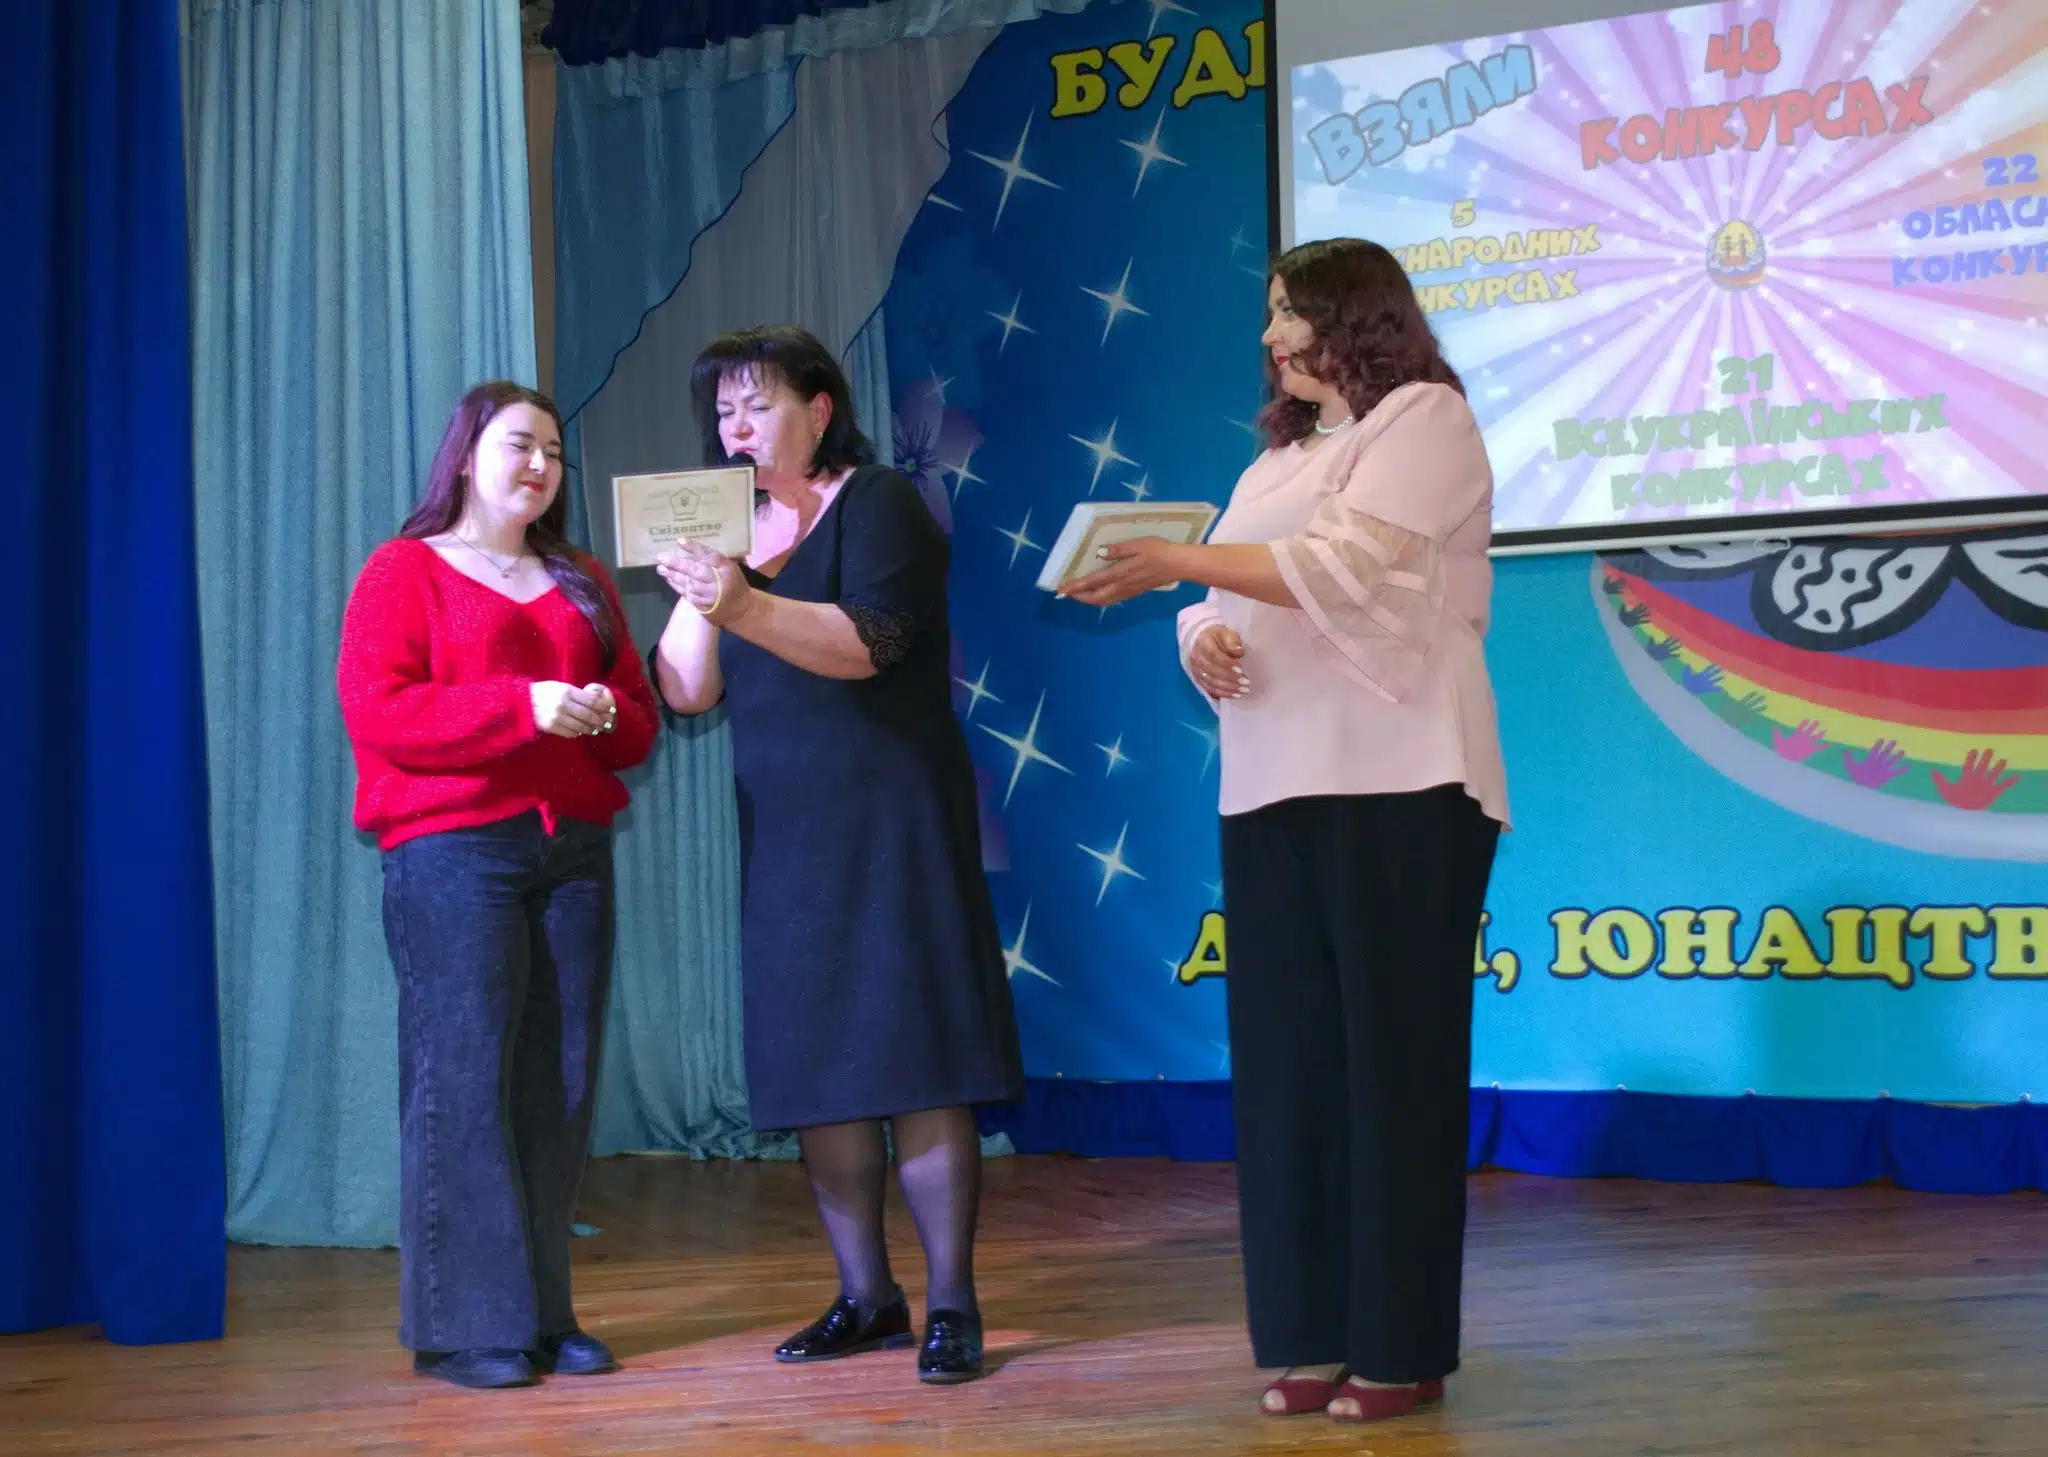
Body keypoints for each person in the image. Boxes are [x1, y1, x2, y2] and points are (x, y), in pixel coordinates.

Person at [1063, 238, 1509, 1423]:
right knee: (1288, 1072)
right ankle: (1308, 1334)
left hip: (1404, 774)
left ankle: (1398, 1347)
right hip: (1270, 781)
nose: (1268, 336)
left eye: (1286, 312)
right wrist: (1193, 630)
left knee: (1393, 1069)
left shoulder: (1423, 419)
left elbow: (1344, 565)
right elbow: (1228, 591)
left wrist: (1170, 561)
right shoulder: (1275, 457)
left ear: (1352, 316)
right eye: (1267, 315)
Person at [649, 326, 1022, 1385]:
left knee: (916, 1055)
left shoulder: (880, 502)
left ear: (818, 410)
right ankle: (867, 1295)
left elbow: (870, 645)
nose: (736, 426)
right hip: (788, 831)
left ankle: (952, 1302)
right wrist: (705, 584)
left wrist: (742, 600)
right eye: (723, 410)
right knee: (819, 1063)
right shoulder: (730, 537)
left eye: (757, 404)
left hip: (893, 823)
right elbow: (687, 689)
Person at [337, 381, 659, 1390]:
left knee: (557, 1084)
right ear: (466, 455)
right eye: (520, 444)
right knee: (463, 1078)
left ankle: (543, 1315)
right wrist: (524, 706)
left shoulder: (581, 579)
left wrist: (597, 712)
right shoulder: (403, 569)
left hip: (572, 854)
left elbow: (638, 720)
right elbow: (380, 711)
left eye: (554, 452)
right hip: (451, 851)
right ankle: (464, 1328)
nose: (539, 466)